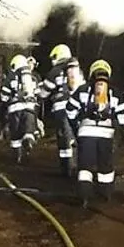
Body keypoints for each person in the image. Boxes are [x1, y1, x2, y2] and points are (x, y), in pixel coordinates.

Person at [66, 60, 124, 206]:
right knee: (105, 166)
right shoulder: (116, 94)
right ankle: (105, 194)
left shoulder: (82, 90)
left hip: (85, 132)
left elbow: (70, 109)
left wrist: (76, 126)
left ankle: (84, 196)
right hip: (106, 134)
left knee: (85, 165)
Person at [40, 44, 84, 177]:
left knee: (64, 139)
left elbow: (44, 92)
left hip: (62, 110)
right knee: (76, 137)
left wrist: (37, 92)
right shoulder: (78, 71)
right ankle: (80, 167)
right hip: (78, 109)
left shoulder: (56, 70)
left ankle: (67, 169)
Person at [0, 54, 40, 163]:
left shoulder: (11, 76)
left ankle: (17, 156)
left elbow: (4, 95)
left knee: (15, 134)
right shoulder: (33, 77)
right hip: (30, 108)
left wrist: (5, 102)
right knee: (28, 130)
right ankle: (28, 140)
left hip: (14, 109)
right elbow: (38, 94)